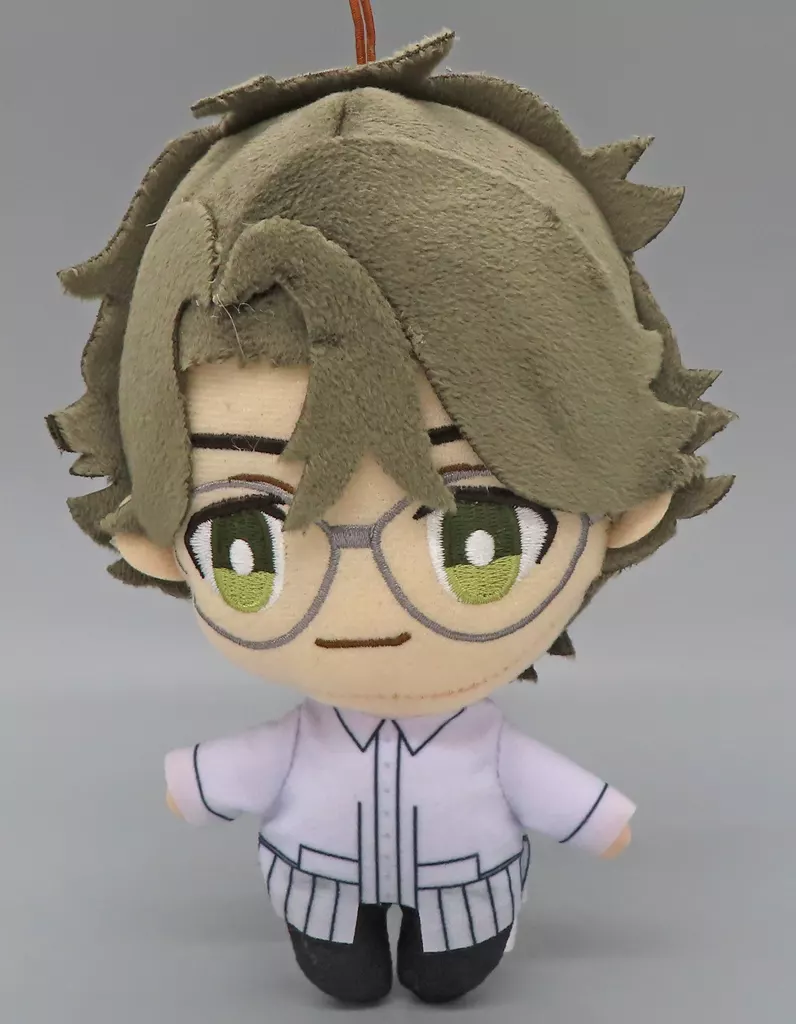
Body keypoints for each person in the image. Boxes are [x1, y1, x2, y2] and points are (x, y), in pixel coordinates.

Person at [46, 29, 734, 1006]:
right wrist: (201, 779)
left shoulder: (476, 746)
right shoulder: (324, 740)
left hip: (466, 886)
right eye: (246, 542)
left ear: (617, 506)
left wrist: (598, 816)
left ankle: (448, 958)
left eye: (478, 537)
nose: (365, 595)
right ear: (161, 543)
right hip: (318, 881)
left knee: (451, 967)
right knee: (338, 963)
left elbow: (548, 788)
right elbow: (246, 769)